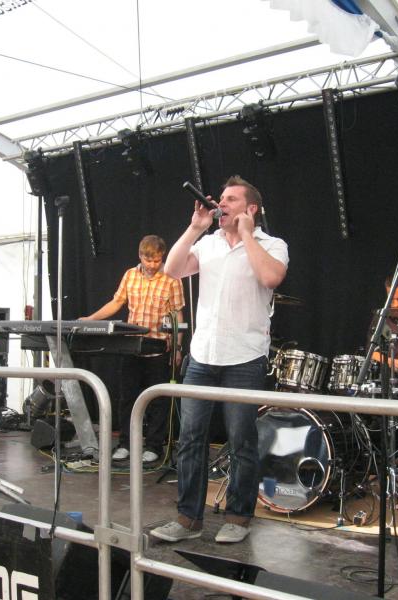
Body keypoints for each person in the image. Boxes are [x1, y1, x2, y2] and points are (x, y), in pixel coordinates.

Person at [150, 175, 288, 544]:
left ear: (251, 208)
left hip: (244, 357)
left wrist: (246, 235)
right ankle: (187, 519)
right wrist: (196, 227)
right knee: (190, 438)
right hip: (203, 355)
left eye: (230, 199)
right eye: (221, 199)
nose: (221, 204)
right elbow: (171, 270)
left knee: (241, 441)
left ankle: (238, 517)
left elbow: (271, 277)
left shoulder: (272, 245)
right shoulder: (208, 243)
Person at [80, 234, 185, 463]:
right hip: (131, 347)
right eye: (148, 260)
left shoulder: (172, 278)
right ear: (140, 256)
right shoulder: (130, 275)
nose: (153, 265)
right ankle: (126, 443)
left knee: (158, 400)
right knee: (128, 398)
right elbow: (117, 302)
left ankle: (154, 446)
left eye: (157, 260)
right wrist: (91, 319)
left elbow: (177, 314)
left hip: (158, 347)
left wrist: (177, 347)